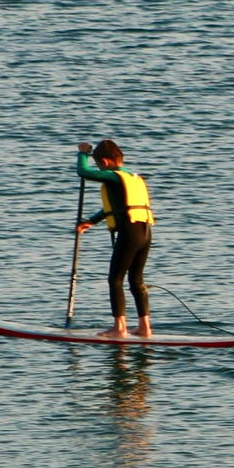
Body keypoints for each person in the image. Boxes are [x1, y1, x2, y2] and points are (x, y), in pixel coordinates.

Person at [74, 139, 155, 338]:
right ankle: (145, 328)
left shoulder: (114, 176)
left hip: (129, 232)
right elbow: (119, 206)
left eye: (99, 165)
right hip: (144, 231)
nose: (100, 170)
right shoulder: (132, 177)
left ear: (105, 162)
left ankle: (119, 328)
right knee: (136, 280)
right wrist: (92, 221)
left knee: (115, 280)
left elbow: (83, 172)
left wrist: (83, 154)